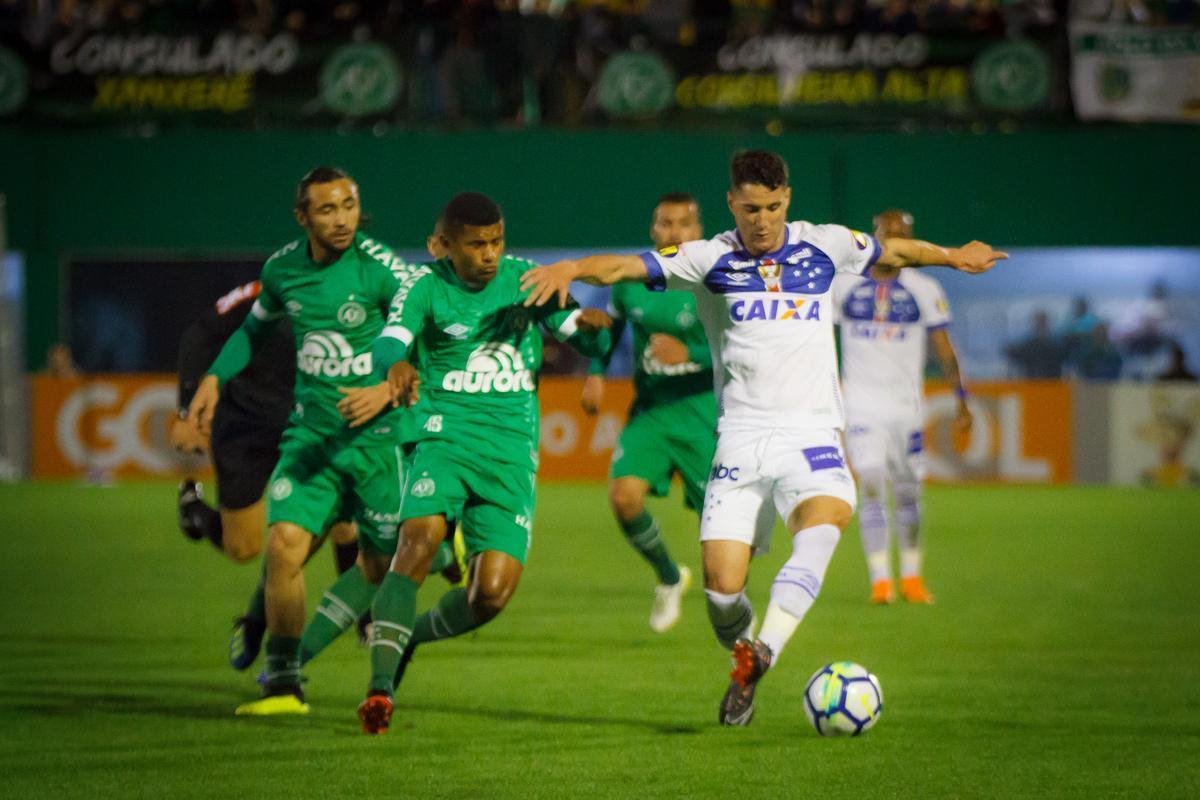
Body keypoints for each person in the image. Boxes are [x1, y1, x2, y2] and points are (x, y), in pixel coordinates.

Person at [520, 149, 1006, 726]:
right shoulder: (707, 258)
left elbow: (895, 249)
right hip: (740, 438)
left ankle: (766, 649)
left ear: (787, 201)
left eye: (773, 207)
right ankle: (744, 659)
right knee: (723, 592)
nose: (762, 220)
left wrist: (955, 256)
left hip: (811, 433)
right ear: (732, 203)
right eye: (751, 208)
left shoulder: (823, 244)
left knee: (825, 520)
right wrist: (571, 269)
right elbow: (626, 267)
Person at [357, 191, 614, 735]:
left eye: (497, 241)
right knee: (419, 539)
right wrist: (398, 365)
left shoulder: (527, 281)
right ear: (446, 246)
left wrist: (594, 327)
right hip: (443, 438)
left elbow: (585, 340)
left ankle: (408, 638)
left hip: (510, 453)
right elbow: (388, 343)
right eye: (476, 244)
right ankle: (379, 691)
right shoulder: (424, 288)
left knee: (491, 593)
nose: (490, 253)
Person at [189, 166, 418, 716]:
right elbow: (252, 331)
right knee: (283, 546)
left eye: (349, 205)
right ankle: (284, 685)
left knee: (384, 566)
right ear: (302, 217)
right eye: (327, 209)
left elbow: (424, 343)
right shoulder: (283, 270)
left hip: (380, 445)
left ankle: (293, 636)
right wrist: (216, 378)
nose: (342, 220)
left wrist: (385, 391)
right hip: (312, 439)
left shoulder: (387, 272)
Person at [171, 278, 363, 670]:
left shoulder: (359, 290)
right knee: (243, 548)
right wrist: (186, 410)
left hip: (308, 424)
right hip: (244, 425)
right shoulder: (266, 289)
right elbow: (199, 335)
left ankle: (365, 622)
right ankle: (193, 509)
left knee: (344, 521)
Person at [580, 192, 713, 632]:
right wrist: (596, 371)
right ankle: (670, 577)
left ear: (699, 231)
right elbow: (612, 329)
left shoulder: (716, 279)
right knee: (623, 497)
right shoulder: (631, 280)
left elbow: (744, 347)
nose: (674, 232)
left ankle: (737, 620)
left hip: (705, 413)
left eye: (684, 224)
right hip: (652, 412)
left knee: (723, 537)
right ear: (653, 230)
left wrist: (691, 351)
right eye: (665, 223)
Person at [831, 209, 972, 606]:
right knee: (872, 483)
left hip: (906, 409)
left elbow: (944, 349)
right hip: (860, 406)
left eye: (902, 233)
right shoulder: (844, 286)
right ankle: (881, 581)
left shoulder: (924, 288)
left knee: (908, 492)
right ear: (875, 236)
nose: (894, 240)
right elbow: (819, 337)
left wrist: (961, 398)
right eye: (886, 232)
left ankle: (911, 576)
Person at [1005, 310, 1067, 378]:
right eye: (1038, 321)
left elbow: (1064, 355)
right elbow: (1012, 353)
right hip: (1032, 383)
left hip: (1053, 383)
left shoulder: (1057, 344)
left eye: (1042, 321)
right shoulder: (1028, 344)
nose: (1040, 324)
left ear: (1047, 323)